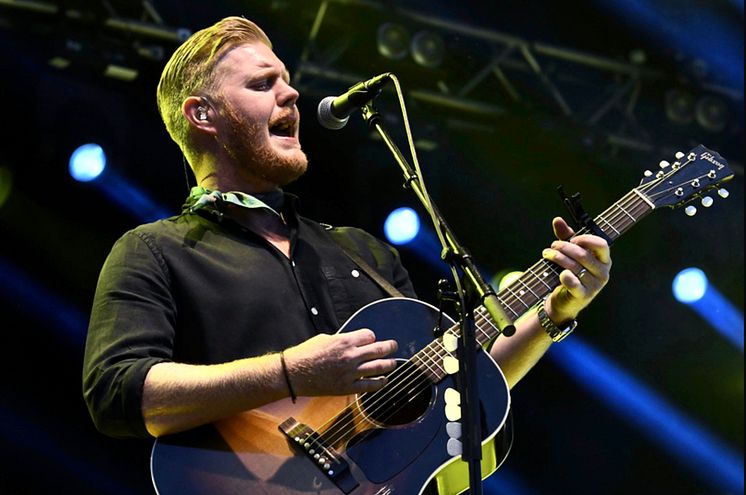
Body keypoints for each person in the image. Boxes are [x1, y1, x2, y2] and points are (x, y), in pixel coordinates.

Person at [82, 13, 610, 476]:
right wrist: (290, 371)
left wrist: (553, 313)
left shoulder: (363, 252)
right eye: (264, 84)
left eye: (287, 81)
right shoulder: (154, 250)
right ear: (203, 115)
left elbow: (453, 380)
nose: (290, 94)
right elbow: (118, 394)